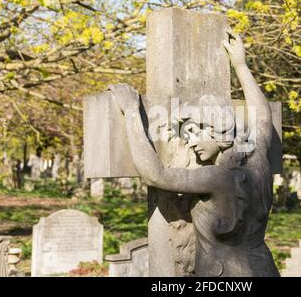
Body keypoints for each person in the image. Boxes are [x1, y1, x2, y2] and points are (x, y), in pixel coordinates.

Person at [109, 30, 279, 277]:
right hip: (264, 267)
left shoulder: (217, 177)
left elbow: (155, 175)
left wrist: (132, 114)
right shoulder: (257, 158)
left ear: (215, 126)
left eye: (193, 133)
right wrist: (241, 65)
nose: (190, 143)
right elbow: (262, 116)